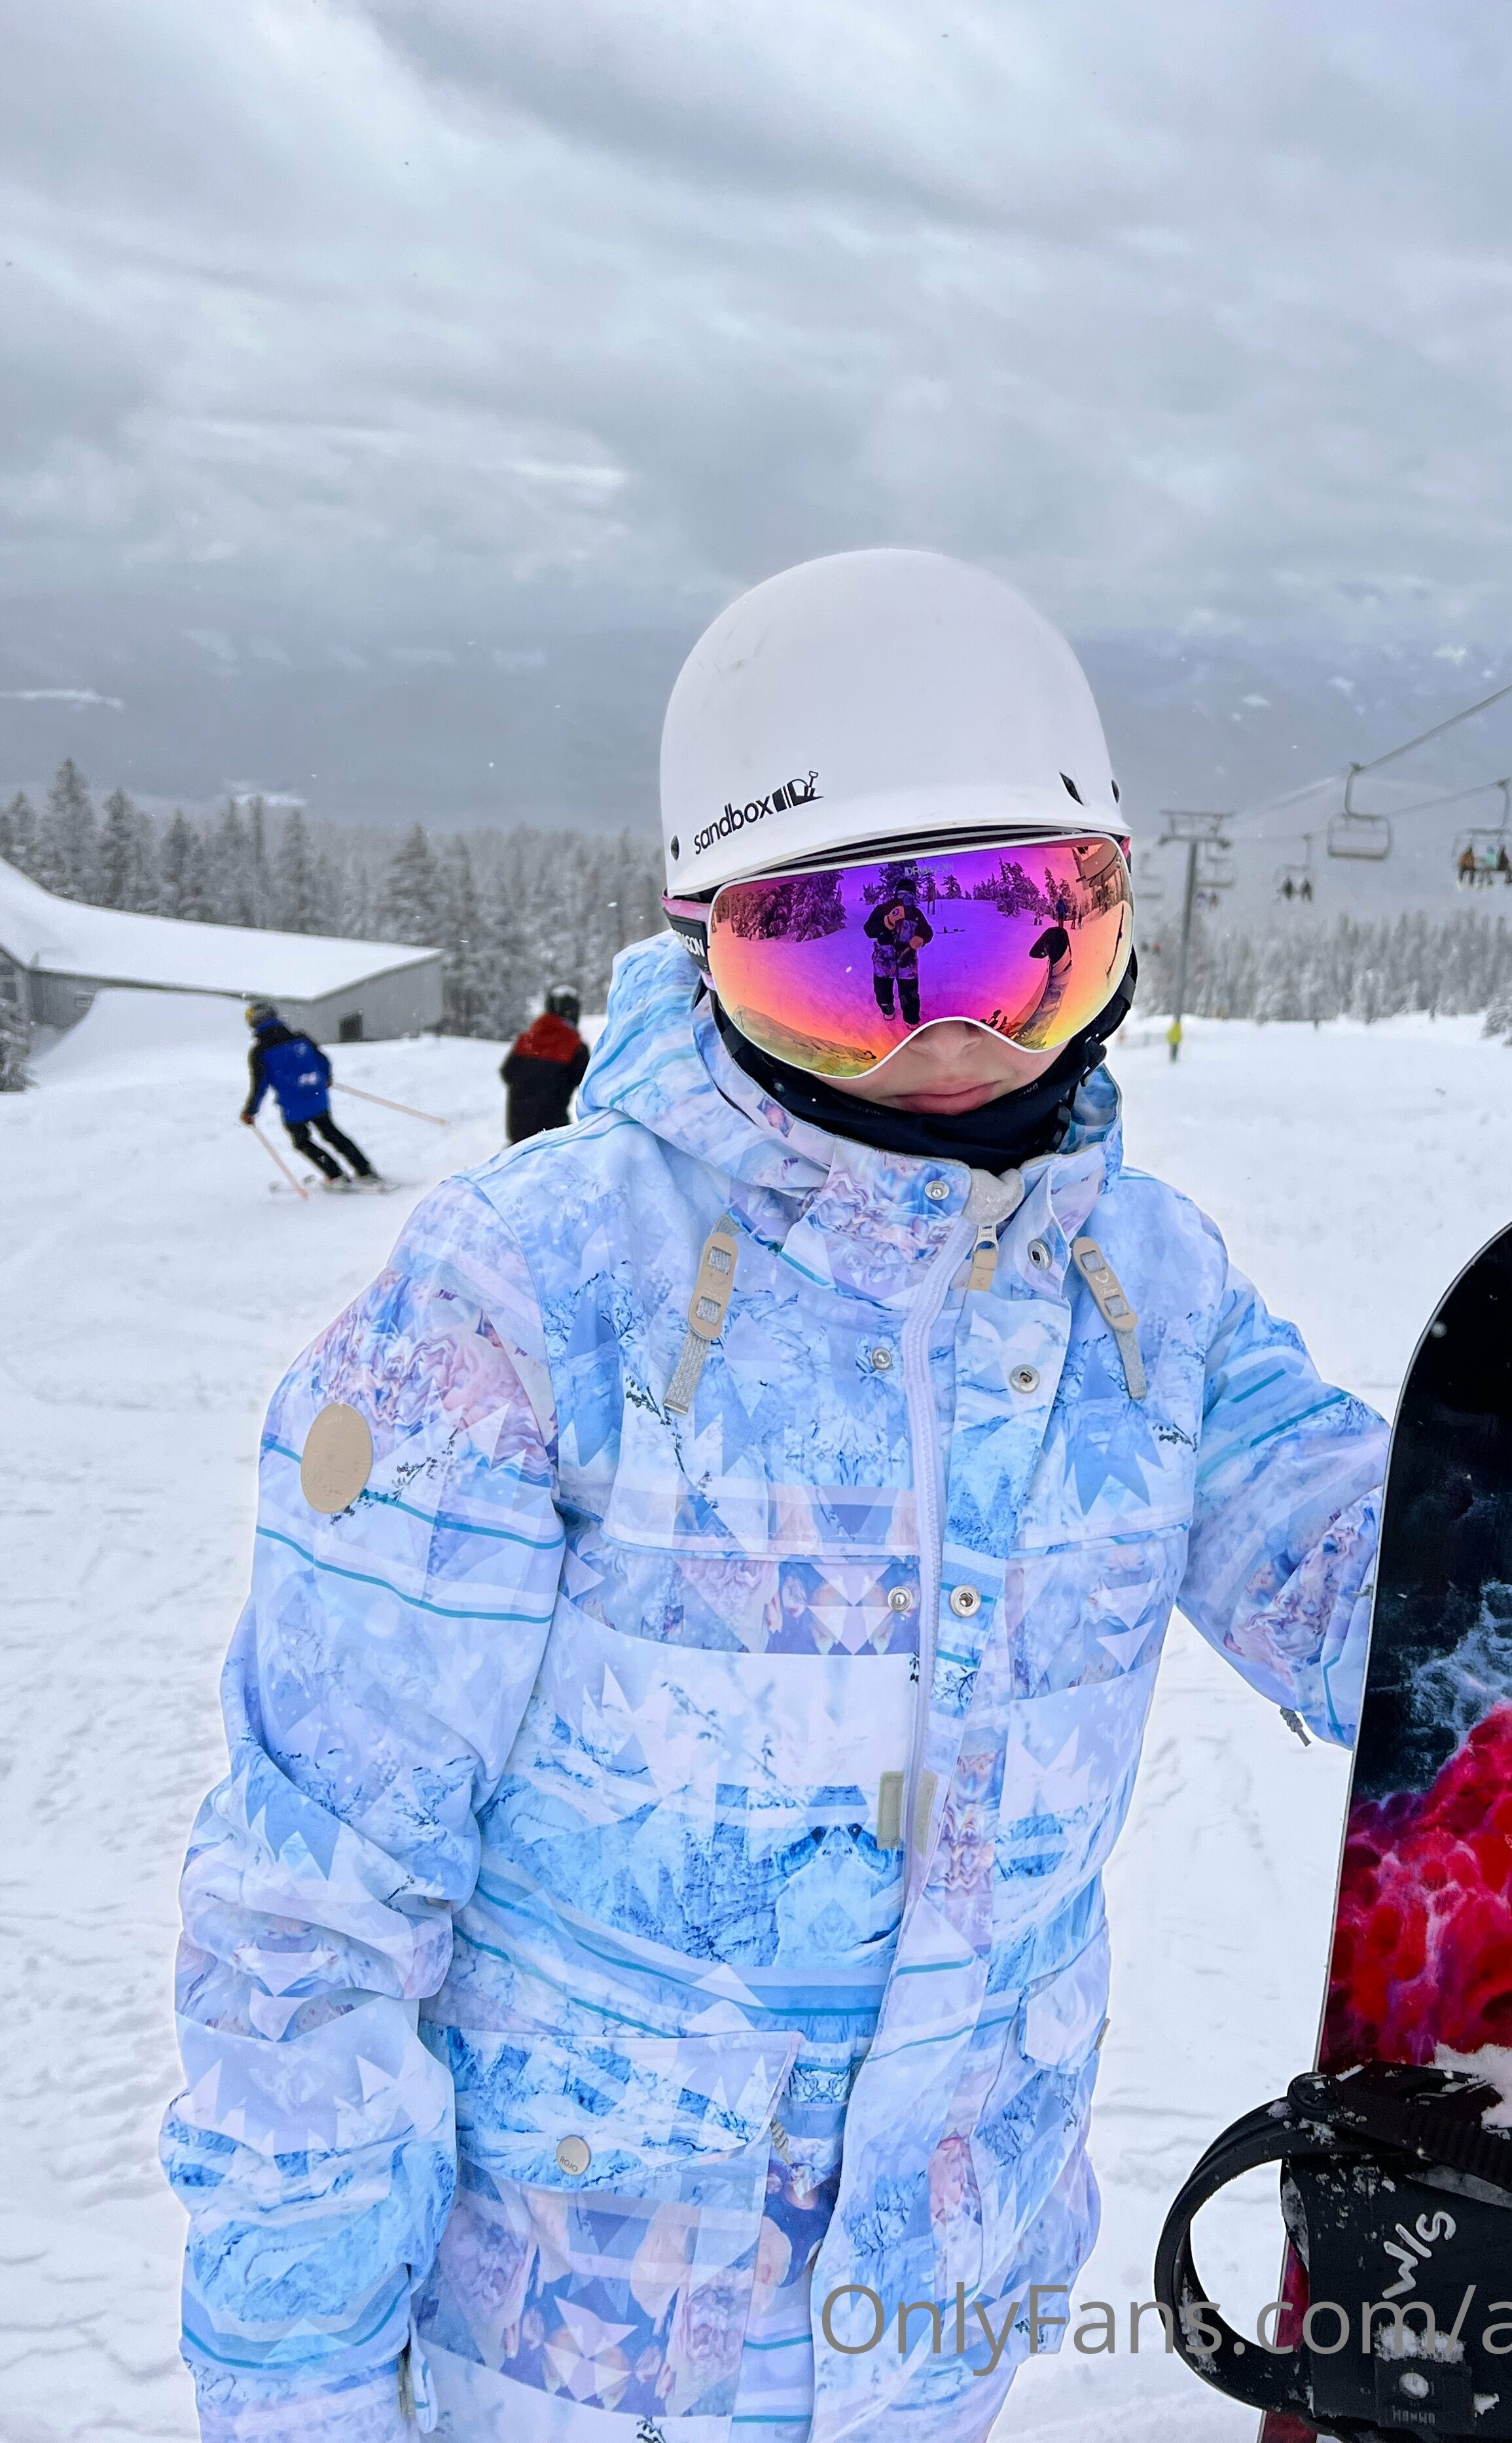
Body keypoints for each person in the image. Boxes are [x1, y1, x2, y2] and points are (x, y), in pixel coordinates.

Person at [164, 549, 1388, 2443]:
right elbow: (311, 1913)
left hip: (934, 2334)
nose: (948, 1049)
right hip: (568, 2370)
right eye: (850, 972)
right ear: (711, 949)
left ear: (1112, 929)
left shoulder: (1147, 1296)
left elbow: (1398, 1606)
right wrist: (296, 2399)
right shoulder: (534, 1298)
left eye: (1020, 949)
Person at [238, 998, 379, 1185]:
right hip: (317, 1096)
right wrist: (327, 1078)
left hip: (293, 1104)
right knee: (332, 1133)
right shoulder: (301, 1038)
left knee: (302, 1141)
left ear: (254, 1022)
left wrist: (250, 1111)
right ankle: (365, 1170)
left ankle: (336, 1176)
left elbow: (259, 1086)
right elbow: (323, 1060)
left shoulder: (260, 1052)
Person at [500, 983, 590, 1141]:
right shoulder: (575, 1046)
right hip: (553, 1134)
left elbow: (507, 1073)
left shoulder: (526, 1040)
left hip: (517, 1134)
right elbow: (590, 1087)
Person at [864, 875, 933, 1023]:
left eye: (909, 896)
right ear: (896, 895)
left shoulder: (915, 914)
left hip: (907, 960)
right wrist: (886, 922)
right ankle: (887, 1010)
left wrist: (920, 938)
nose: (904, 899)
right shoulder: (883, 909)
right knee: (882, 991)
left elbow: (928, 932)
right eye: (902, 895)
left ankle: (911, 1019)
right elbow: (869, 930)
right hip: (884, 960)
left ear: (914, 897)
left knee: (910, 993)